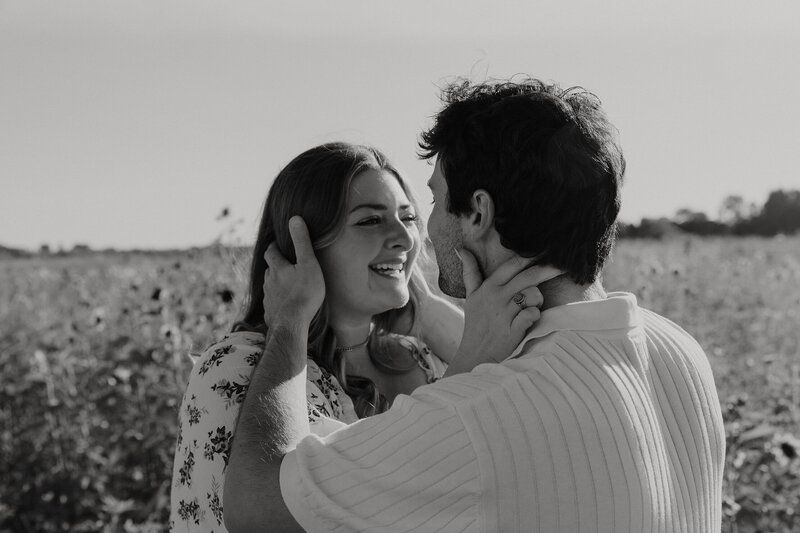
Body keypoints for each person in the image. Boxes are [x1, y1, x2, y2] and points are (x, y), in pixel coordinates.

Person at [225, 78, 726, 533]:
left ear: (479, 213)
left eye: (435, 202)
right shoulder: (680, 352)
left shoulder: (474, 416)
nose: (418, 229)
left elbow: (256, 505)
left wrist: (289, 321)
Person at [169, 142, 549, 531]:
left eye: (409, 217)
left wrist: (416, 291)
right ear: (302, 247)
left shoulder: (414, 357)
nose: (404, 236)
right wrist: (292, 318)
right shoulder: (234, 369)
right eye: (370, 221)